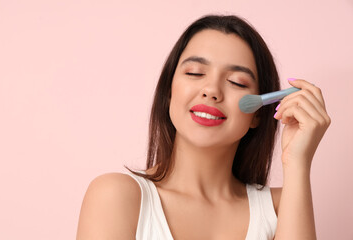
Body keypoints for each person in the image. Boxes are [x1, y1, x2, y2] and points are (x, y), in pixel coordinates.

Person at [76, 15, 330, 240]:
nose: (211, 90)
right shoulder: (116, 197)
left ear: (258, 115)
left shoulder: (280, 208)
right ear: (168, 94)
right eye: (195, 73)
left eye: (236, 82)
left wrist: (297, 162)